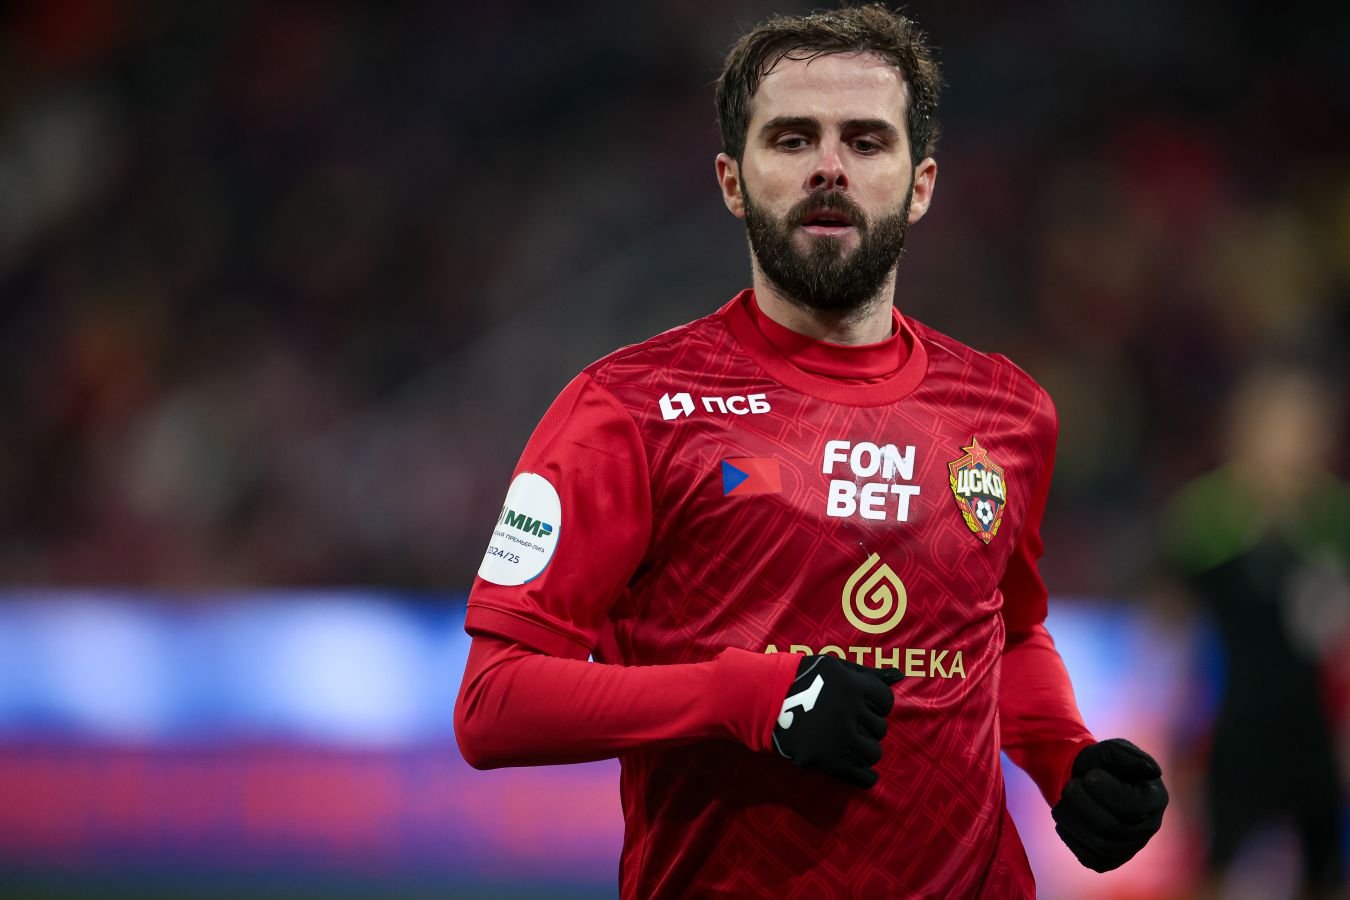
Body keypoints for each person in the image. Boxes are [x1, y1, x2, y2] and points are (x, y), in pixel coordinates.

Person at [453, 6, 1167, 897]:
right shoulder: (626, 409)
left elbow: (1008, 634)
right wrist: (743, 698)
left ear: (920, 185)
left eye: (866, 141)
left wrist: (1066, 758)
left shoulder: (1009, 411)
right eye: (793, 139)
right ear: (732, 180)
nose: (830, 166)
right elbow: (492, 704)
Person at [1163, 365, 1347, 898]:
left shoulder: (1335, 519)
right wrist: (1176, 736)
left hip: (1311, 728)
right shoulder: (1206, 516)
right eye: (1275, 428)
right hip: (1232, 728)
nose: (1288, 444)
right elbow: (1172, 627)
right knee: (1212, 865)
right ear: (1242, 433)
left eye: (1302, 429)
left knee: (1324, 869)